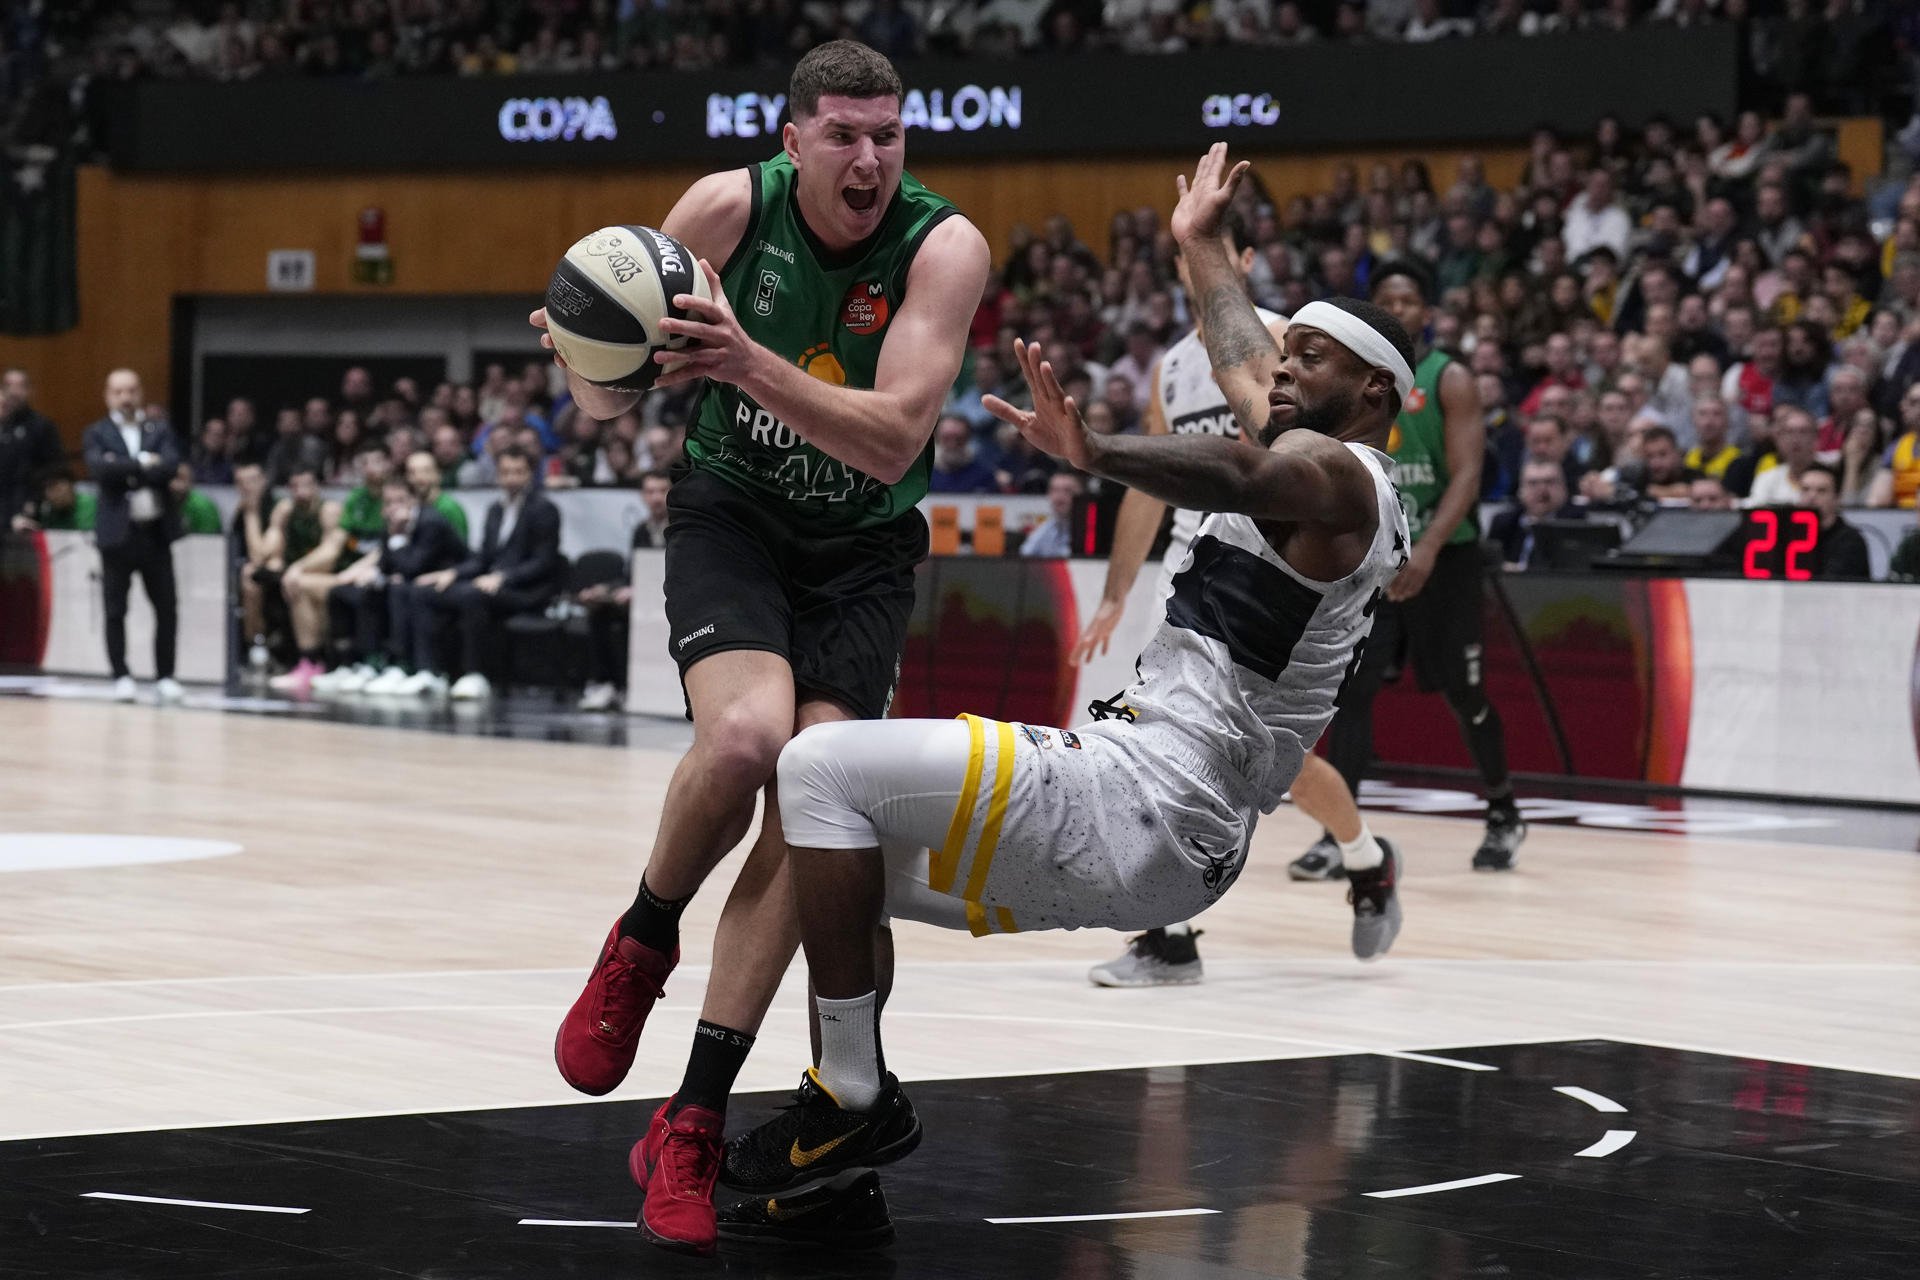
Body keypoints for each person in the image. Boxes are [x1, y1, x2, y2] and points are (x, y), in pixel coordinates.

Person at [711, 144, 1410, 1218]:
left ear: (1372, 393)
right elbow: (1236, 357)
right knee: (835, 864)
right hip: (1171, 833)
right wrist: (1198, 245)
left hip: (1144, 800)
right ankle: (842, 1140)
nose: (1278, 364)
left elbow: (1243, 467)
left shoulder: (1341, 479)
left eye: (1305, 355)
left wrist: (1094, 451)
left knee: (819, 769)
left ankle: (848, 1094)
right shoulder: (1300, 433)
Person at [532, 40, 989, 1256]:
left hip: (862, 550)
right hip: (735, 511)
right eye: (843, 133)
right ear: (793, 141)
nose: (870, 157)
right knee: (743, 737)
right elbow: (606, 400)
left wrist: (744, 359)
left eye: (888, 135)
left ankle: (690, 1113)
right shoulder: (728, 209)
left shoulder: (945, 247)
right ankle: (641, 938)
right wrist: (585, 354)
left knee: (819, 792)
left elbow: (892, 441)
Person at [1072, 209, 1403, 988]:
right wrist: (1118, 592)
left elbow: (1260, 456)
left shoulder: (1296, 349)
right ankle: (1173, 936)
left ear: (1245, 260)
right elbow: (1151, 490)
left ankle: (1361, 858)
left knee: (1266, 757)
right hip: (1192, 560)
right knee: (1179, 742)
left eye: (1215, 257)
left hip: (1276, 562)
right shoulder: (1170, 368)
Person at [1312, 259, 1527, 876]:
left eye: (1409, 299)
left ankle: (1503, 810)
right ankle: (1341, 835)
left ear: (1426, 312)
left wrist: (1428, 548)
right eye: (1388, 300)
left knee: (1464, 691)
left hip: (1446, 555)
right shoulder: (1357, 381)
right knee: (1350, 694)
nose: (1400, 308)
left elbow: (1466, 473)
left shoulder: (1448, 377)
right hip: (1376, 558)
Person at [413, 446, 562, 700]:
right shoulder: (495, 509)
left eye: (518, 472)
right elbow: (482, 558)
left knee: (473, 595)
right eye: (505, 472)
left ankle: (474, 674)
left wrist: (503, 577)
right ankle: (430, 671)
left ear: (529, 474)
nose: (511, 478)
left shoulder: (544, 509)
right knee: (427, 592)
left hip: (527, 589)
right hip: (491, 585)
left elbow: (543, 562)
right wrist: (451, 573)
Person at [82, 369, 184, 705]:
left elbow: (170, 466)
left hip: (154, 533)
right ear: (108, 395)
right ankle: (121, 675)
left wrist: (124, 466)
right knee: (115, 609)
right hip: (117, 536)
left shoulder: (160, 428)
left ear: (139, 393)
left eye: (131, 390)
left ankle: (166, 676)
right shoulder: (97, 432)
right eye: (118, 391)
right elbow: (100, 470)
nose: (125, 397)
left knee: (166, 607)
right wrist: (142, 463)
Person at [317, 476, 467, 693]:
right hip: (411, 582)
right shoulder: (391, 524)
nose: (393, 507)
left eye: (400, 501)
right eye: (388, 503)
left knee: (398, 590)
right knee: (347, 591)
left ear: (414, 500)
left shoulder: (430, 522)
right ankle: (357, 663)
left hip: (447, 580)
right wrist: (374, 575)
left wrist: (395, 538)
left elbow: (414, 566)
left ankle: (402, 665)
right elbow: (387, 564)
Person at [578, 469, 674, 712]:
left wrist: (640, 590)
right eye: (650, 492)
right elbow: (632, 573)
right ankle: (605, 684)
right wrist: (606, 590)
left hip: (673, 603)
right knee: (599, 611)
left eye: (662, 491)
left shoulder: (684, 528)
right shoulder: (641, 530)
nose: (656, 498)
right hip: (641, 601)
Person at [1489, 459, 1581, 569]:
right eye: (1533, 483)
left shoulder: (1577, 522)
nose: (1542, 490)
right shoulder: (1504, 524)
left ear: (1564, 489)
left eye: (1549, 482)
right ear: (1520, 491)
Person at [0, 368, 63, 527]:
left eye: (20, 386)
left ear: (30, 391)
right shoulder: (3, 426)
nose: (14, 392)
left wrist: (35, 499)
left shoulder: (42, 426)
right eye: (8, 386)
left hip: (29, 507)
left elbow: (54, 468)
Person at [1797, 463, 1870, 580]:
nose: (1811, 496)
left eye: (1821, 491)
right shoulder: (1790, 536)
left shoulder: (1850, 541)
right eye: (1805, 490)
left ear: (1837, 498)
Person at [1017, 471, 1081, 557]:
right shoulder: (1046, 529)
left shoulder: (1087, 531)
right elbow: (1024, 555)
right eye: (1055, 490)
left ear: (1080, 495)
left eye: (1067, 491)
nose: (1060, 496)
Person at [14, 468, 96, 532]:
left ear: (71, 484)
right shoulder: (48, 511)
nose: (55, 494)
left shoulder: (89, 503)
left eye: (58, 487)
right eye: (49, 489)